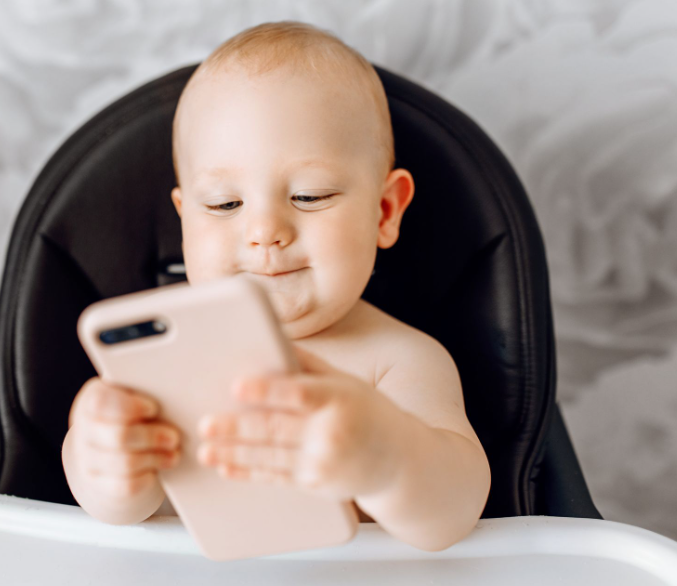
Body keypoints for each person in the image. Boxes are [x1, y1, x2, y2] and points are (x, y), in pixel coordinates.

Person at [61, 21, 490, 552]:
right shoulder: (161, 354)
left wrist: (385, 454)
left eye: (309, 196)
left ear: (384, 211)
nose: (264, 232)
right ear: (185, 218)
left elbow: (456, 513)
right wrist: (102, 461)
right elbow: (120, 513)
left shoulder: (397, 362)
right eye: (224, 204)